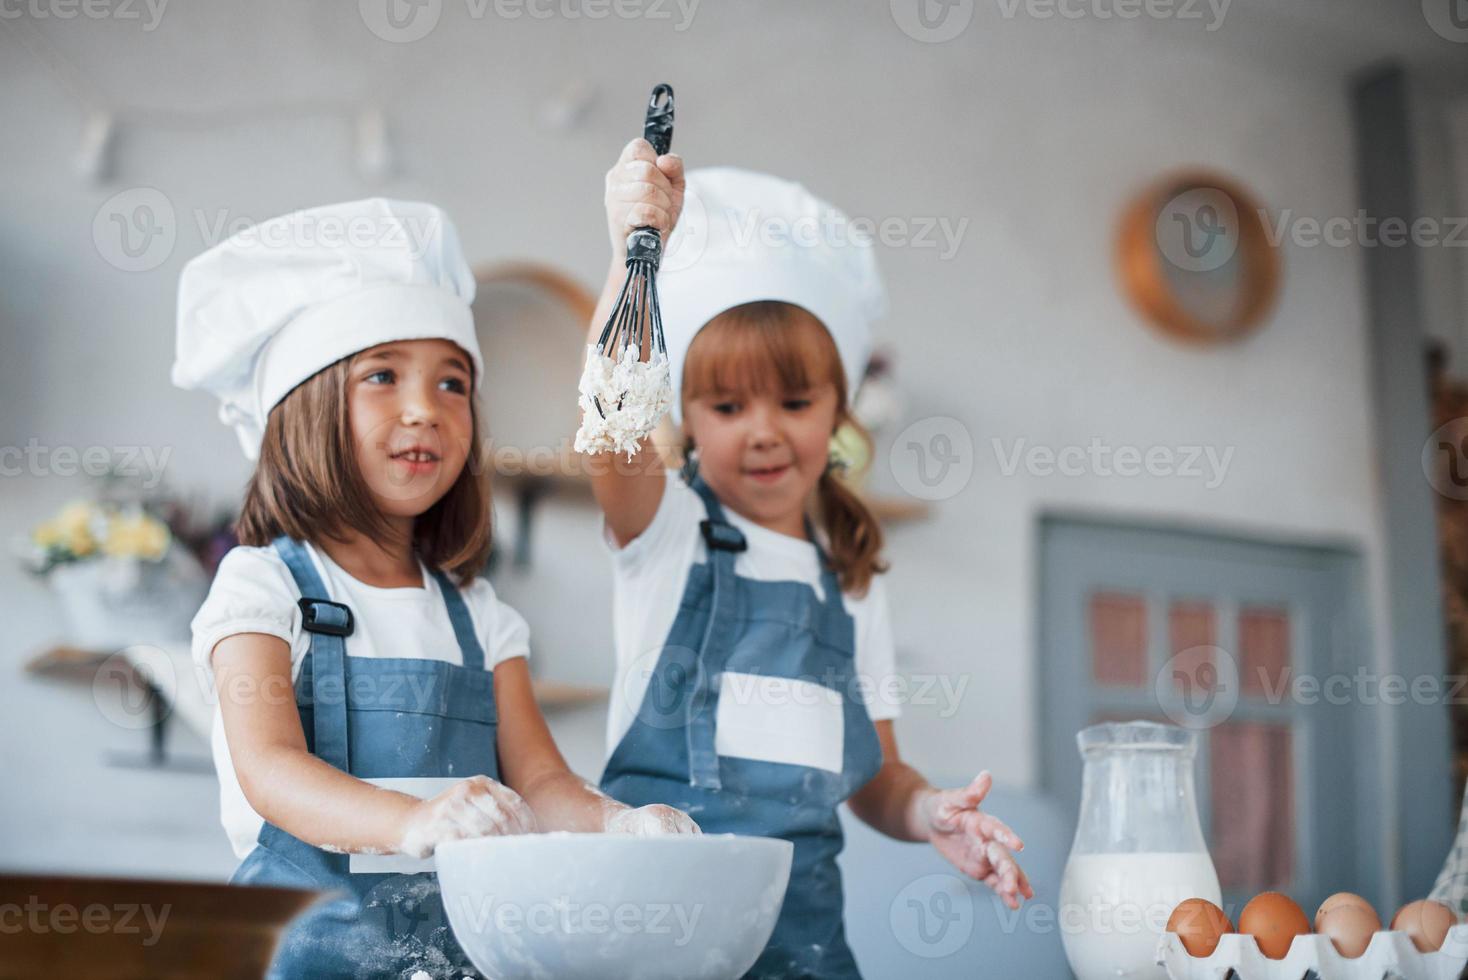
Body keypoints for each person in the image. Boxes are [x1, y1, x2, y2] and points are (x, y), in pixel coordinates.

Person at [174, 198, 697, 979]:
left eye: (454, 383)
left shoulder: (480, 619)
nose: (427, 409)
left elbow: (542, 782)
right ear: (304, 409)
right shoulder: (262, 587)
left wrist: (620, 824)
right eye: (382, 376)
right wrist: (414, 821)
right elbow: (271, 768)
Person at [583, 146, 1034, 979]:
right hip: (652, 948)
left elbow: (877, 777)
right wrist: (631, 257)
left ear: (839, 412)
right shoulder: (667, 532)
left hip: (806, 952)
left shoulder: (851, 576)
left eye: (794, 402)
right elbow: (611, 432)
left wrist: (931, 811)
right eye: (726, 405)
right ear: (682, 412)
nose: (763, 430)